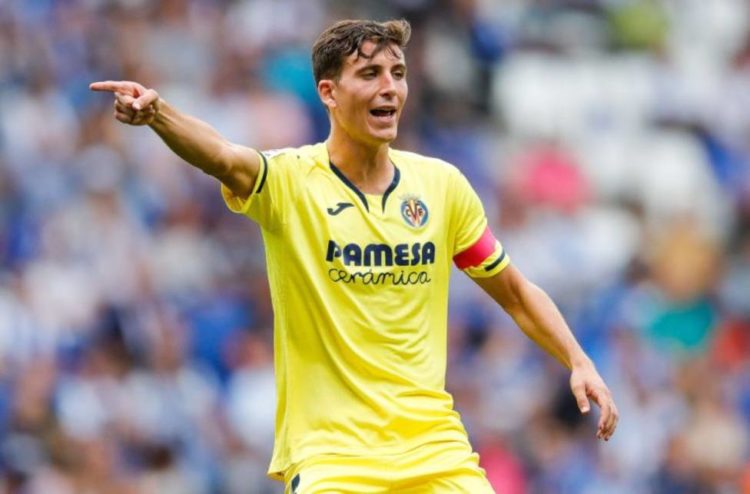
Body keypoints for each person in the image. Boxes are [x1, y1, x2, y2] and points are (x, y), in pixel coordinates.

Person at [91, 18, 618, 494]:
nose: (390, 87)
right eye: (369, 74)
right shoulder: (292, 182)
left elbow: (515, 292)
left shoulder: (441, 187)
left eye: (398, 73)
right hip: (332, 459)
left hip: (434, 451)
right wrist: (158, 114)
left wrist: (578, 359)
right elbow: (223, 156)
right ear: (328, 92)